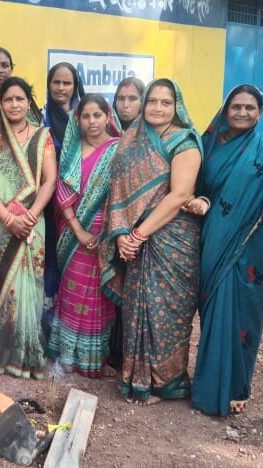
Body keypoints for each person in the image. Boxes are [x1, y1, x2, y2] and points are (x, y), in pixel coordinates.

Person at [188, 84, 263, 416]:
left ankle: (237, 387)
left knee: (246, 310)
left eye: (250, 108)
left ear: (260, 113)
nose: (243, 113)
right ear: (225, 110)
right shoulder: (206, 145)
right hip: (213, 237)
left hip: (254, 241)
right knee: (214, 307)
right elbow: (193, 189)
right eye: (236, 107)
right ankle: (209, 386)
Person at [100, 78, 203, 405]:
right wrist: (120, 234)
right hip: (134, 239)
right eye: (152, 101)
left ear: (177, 107)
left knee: (166, 312)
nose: (158, 108)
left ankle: (167, 383)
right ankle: (137, 379)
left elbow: (180, 195)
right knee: (137, 309)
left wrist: (137, 235)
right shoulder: (132, 139)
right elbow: (117, 190)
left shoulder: (184, 141)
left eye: (166, 102)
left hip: (171, 239)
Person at [0, 77, 57, 379]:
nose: (14, 104)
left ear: (29, 102)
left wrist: (31, 215)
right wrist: (9, 219)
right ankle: (4, 350)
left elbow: (49, 180)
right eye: (8, 99)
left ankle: (27, 352)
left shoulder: (42, 136)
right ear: (0, 102)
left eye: (20, 99)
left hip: (33, 222)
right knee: (4, 288)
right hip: (1, 222)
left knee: (29, 287)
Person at [47, 94, 120, 378]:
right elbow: (61, 190)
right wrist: (77, 228)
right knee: (72, 289)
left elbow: (123, 193)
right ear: (78, 120)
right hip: (72, 231)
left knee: (96, 295)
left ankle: (92, 359)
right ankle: (66, 355)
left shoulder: (118, 149)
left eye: (97, 115)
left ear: (107, 116)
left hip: (105, 231)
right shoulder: (71, 150)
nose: (92, 121)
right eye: (86, 116)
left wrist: (107, 231)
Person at [41, 62, 85, 338]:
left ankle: (72, 328)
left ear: (75, 86)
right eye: (56, 82)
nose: (61, 88)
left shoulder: (85, 117)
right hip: (49, 203)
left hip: (81, 202)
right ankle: (48, 327)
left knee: (75, 261)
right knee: (50, 259)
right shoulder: (41, 117)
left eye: (67, 83)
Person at [108, 76, 144, 370]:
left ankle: (134, 358)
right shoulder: (108, 131)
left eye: (132, 99)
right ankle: (114, 352)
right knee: (114, 286)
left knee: (137, 292)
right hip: (112, 225)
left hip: (145, 227)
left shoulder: (151, 137)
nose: (125, 105)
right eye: (121, 99)